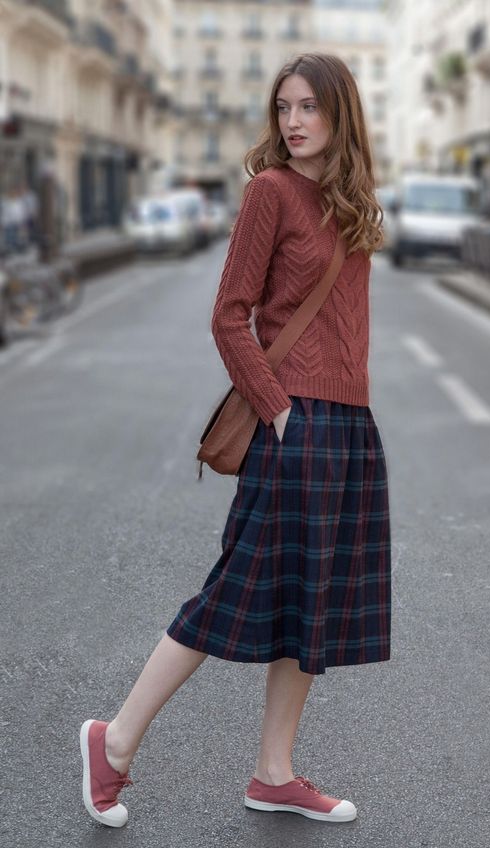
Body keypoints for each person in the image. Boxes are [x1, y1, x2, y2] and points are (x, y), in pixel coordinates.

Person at [79, 52, 392, 829]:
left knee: (310, 605)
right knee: (231, 596)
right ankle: (112, 743)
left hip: (348, 424)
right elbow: (229, 314)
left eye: (309, 107)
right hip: (298, 421)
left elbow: (342, 322)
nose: (293, 121)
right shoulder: (271, 193)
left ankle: (273, 772)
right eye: (283, 106)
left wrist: (346, 415)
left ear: (339, 115)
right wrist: (279, 410)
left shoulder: (348, 200)